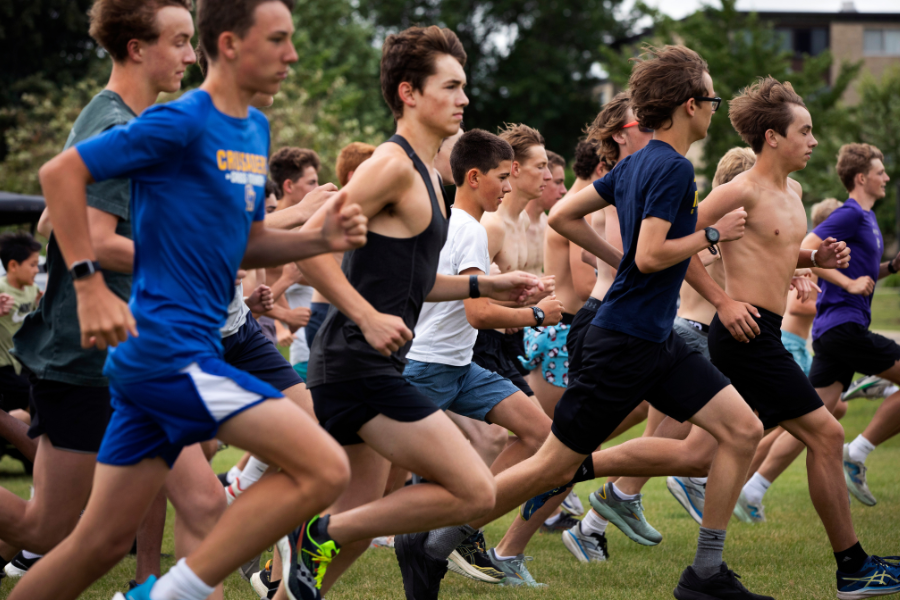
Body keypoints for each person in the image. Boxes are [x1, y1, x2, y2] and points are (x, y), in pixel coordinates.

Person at [9, 3, 368, 600]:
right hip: (167, 355)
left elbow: (247, 241)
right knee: (326, 466)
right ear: (229, 44)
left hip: (175, 354)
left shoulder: (253, 129)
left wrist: (317, 237)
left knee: (93, 544)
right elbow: (58, 178)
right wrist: (91, 284)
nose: (292, 55)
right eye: (278, 40)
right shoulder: (180, 122)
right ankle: (172, 594)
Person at [415, 45, 776, 600]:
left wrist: (620, 261)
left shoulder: (636, 163)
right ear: (688, 105)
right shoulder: (672, 167)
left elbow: (564, 215)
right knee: (551, 465)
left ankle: (706, 574)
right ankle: (438, 543)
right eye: (710, 99)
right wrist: (711, 234)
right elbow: (654, 255)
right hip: (624, 341)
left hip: (655, 337)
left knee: (742, 429)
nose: (713, 108)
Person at [281, 26, 540, 600]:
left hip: (371, 363)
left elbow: (414, 284)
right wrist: (366, 316)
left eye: (464, 87)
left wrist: (490, 282)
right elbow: (313, 248)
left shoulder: (427, 174)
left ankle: (310, 561)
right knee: (474, 490)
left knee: (359, 523)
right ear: (409, 93)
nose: (463, 99)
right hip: (357, 361)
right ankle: (320, 529)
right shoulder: (391, 165)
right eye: (450, 87)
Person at [0, 0, 197, 582]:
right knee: (48, 530)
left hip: (112, 351)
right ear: (138, 48)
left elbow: (53, 218)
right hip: (87, 355)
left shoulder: (108, 115)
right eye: (180, 42)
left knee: (72, 531)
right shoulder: (117, 127)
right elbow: (96, 237)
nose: (191, 55)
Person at [696, 76, 900, 599]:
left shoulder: (794, 191)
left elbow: (777, 250)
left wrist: (815, 259)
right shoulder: (738, 190)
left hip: (764, 332)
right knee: (826, 434)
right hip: (744, 333)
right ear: (772, 137)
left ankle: (703, 572)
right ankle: (853, 568)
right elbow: (665, 246)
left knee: (727, 445)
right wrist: (723, 300)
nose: (813, 140)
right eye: (804, 131)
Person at [403, 128, 562, 587]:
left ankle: (449, 539)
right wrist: (537, 314)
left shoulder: (455, 223)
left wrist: (518, 296)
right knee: (390, 488)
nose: (508, 187)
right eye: (500, 177)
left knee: (541, 435)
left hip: (458, 367)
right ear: (473, 177)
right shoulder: (470, 228)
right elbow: (477, 314)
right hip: (429, 369)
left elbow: (471, 303)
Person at [730, 197, 840, 524]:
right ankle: (743, 484)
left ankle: (746, 485)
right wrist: (836, 310)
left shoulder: (812, 255)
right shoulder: (802, 252)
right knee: (771, 424)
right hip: (785, 342)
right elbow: (797, 306)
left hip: (796, 346)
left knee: (786, 423)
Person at [803, 143, 900, 510]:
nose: (886, 177)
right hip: (844, 327)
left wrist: (890, 268)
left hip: (833, 332)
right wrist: (847, 284)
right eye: (880, 171)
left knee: (806, 417)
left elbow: (859, 271)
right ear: (862, 178)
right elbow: (807, 249)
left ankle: (736, 472)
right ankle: (857, 453)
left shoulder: (868, 219)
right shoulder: (850, 215)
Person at [305, 142, 376, 350]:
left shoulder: (366, 208)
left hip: (346, 311)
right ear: (353, 176)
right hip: (327, 310)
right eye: (374, 170)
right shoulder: (340, 207)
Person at [0, 233, 42, 416]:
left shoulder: (34, 291)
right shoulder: (1, 289)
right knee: (33, 397)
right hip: (4, 366)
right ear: (13, 266)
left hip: (23, 363)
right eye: (32, 265)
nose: (37, 270)